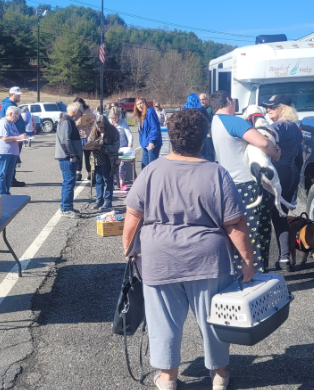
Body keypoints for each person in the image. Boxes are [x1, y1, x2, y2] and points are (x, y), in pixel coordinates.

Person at [122, 109, 255, 390]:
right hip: (208, 259)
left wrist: (129, 251)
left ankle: (168, 378)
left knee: (164, 323)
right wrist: (247, 260)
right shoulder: (216, 173)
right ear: (203, 138)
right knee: (214, 320)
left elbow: (133, 216)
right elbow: (235, 223)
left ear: (171, 137)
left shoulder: (151, 170)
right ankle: (219, 374)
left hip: (159, 258)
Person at [211, 90, 281, 273]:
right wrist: (276, 152)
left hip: (230, 185)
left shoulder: (215, 122)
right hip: (249, 185)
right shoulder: (234, 122)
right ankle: (258, 276)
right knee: (257, 234)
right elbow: (264, 143)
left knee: (238, 233)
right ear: (228, 101)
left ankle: (241, 273)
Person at [262, 94, 303, 271]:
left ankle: (262, 262)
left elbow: (264, 139)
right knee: (280, 217)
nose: (268, 110)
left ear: (284, 109)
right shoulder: (294, 127)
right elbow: (300, 157)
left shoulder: (280, 126)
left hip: (279, 174)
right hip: (291, 172)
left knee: (266, 217)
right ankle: (284, 259)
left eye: (272, 107)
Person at [55, 102, 83, 218]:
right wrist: (72, 155)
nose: (81, 115)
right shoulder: (66, 121)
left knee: (69, 182)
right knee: (68, 182)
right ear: (76, 111)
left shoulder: (68, 121)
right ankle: (66, 208)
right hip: (67, 158)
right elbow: (65, 140)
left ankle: (67, 206)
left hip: (68, 157)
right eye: (81, 112)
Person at [88, 115, 120, 211]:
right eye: (99, 127)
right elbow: (89, 141)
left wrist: (103, 148)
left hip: (108, 160)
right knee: (98, 181)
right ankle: (99, 200)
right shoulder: (94, 132)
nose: (101, 129)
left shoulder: (113, 132)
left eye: (102, 127)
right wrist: (91, 146)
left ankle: (108, 202)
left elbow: (116, 147)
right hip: (97, 159)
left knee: (108, 181)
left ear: (106, 125)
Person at [0, 106, 26, 195]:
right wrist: (18, 137)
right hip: (4, 152)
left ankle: (7, 192)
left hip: (12, 152)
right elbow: (5, 137)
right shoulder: (3, 123)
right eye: (17, 115)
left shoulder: (12, 124)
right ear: (11, 114)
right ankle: (2, 193)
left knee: (9, 174)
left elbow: (14, 136)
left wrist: (22, 137)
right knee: (3, 174)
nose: (18, 117)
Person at [0, 87, 26, 187]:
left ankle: (11, 178)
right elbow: (9, 121)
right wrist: (17, 135)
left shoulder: (12, 105)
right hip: (14, 136)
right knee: (12, 158)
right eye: (17, 95)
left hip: (17, 135)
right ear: (12, 94)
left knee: (14, 158)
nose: (19, 96)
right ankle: (10, 179)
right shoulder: (8, 105)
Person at [181, 93, 214, 162]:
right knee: (203, 156)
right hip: (201, 135)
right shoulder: (202, 109)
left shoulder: (183, 110)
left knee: (189, 155)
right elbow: (209, 120)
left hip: (188, 136)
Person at [133, 97, 162, 169]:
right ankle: (145, 180)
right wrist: (142, 143)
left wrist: (151, 142)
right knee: (144, 166)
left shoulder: (150, 112)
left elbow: (154, 128)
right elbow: (141, 131)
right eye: (137, 104)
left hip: (152, 144)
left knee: (151, 167)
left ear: (145, 103)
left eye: (141, 103)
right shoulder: (141, 115)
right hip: (146, 144)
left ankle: (154, 180)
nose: (139, 106)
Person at [109, 107, 133, 191]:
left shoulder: (123, 122)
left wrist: (130, 142)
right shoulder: (109, 123)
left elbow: (128, 133)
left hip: (122, 147)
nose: (115, 119)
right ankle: (112, 183)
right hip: (112, 148)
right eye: (113, 118)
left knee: (122, 165)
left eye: (116, 117)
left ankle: (122, 183)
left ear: (119, 116)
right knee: (112, 165)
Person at [73, 97, 95, 181]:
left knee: (88, 156)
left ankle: (89, 173)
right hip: (78, 136)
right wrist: (76, 123)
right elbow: (71, 122)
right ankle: (78, 172)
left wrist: (91, 121)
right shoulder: (74, 112)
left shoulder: (88, 111)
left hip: (87, 136)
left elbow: (94, 122)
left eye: (80, 105)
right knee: (79, 155)